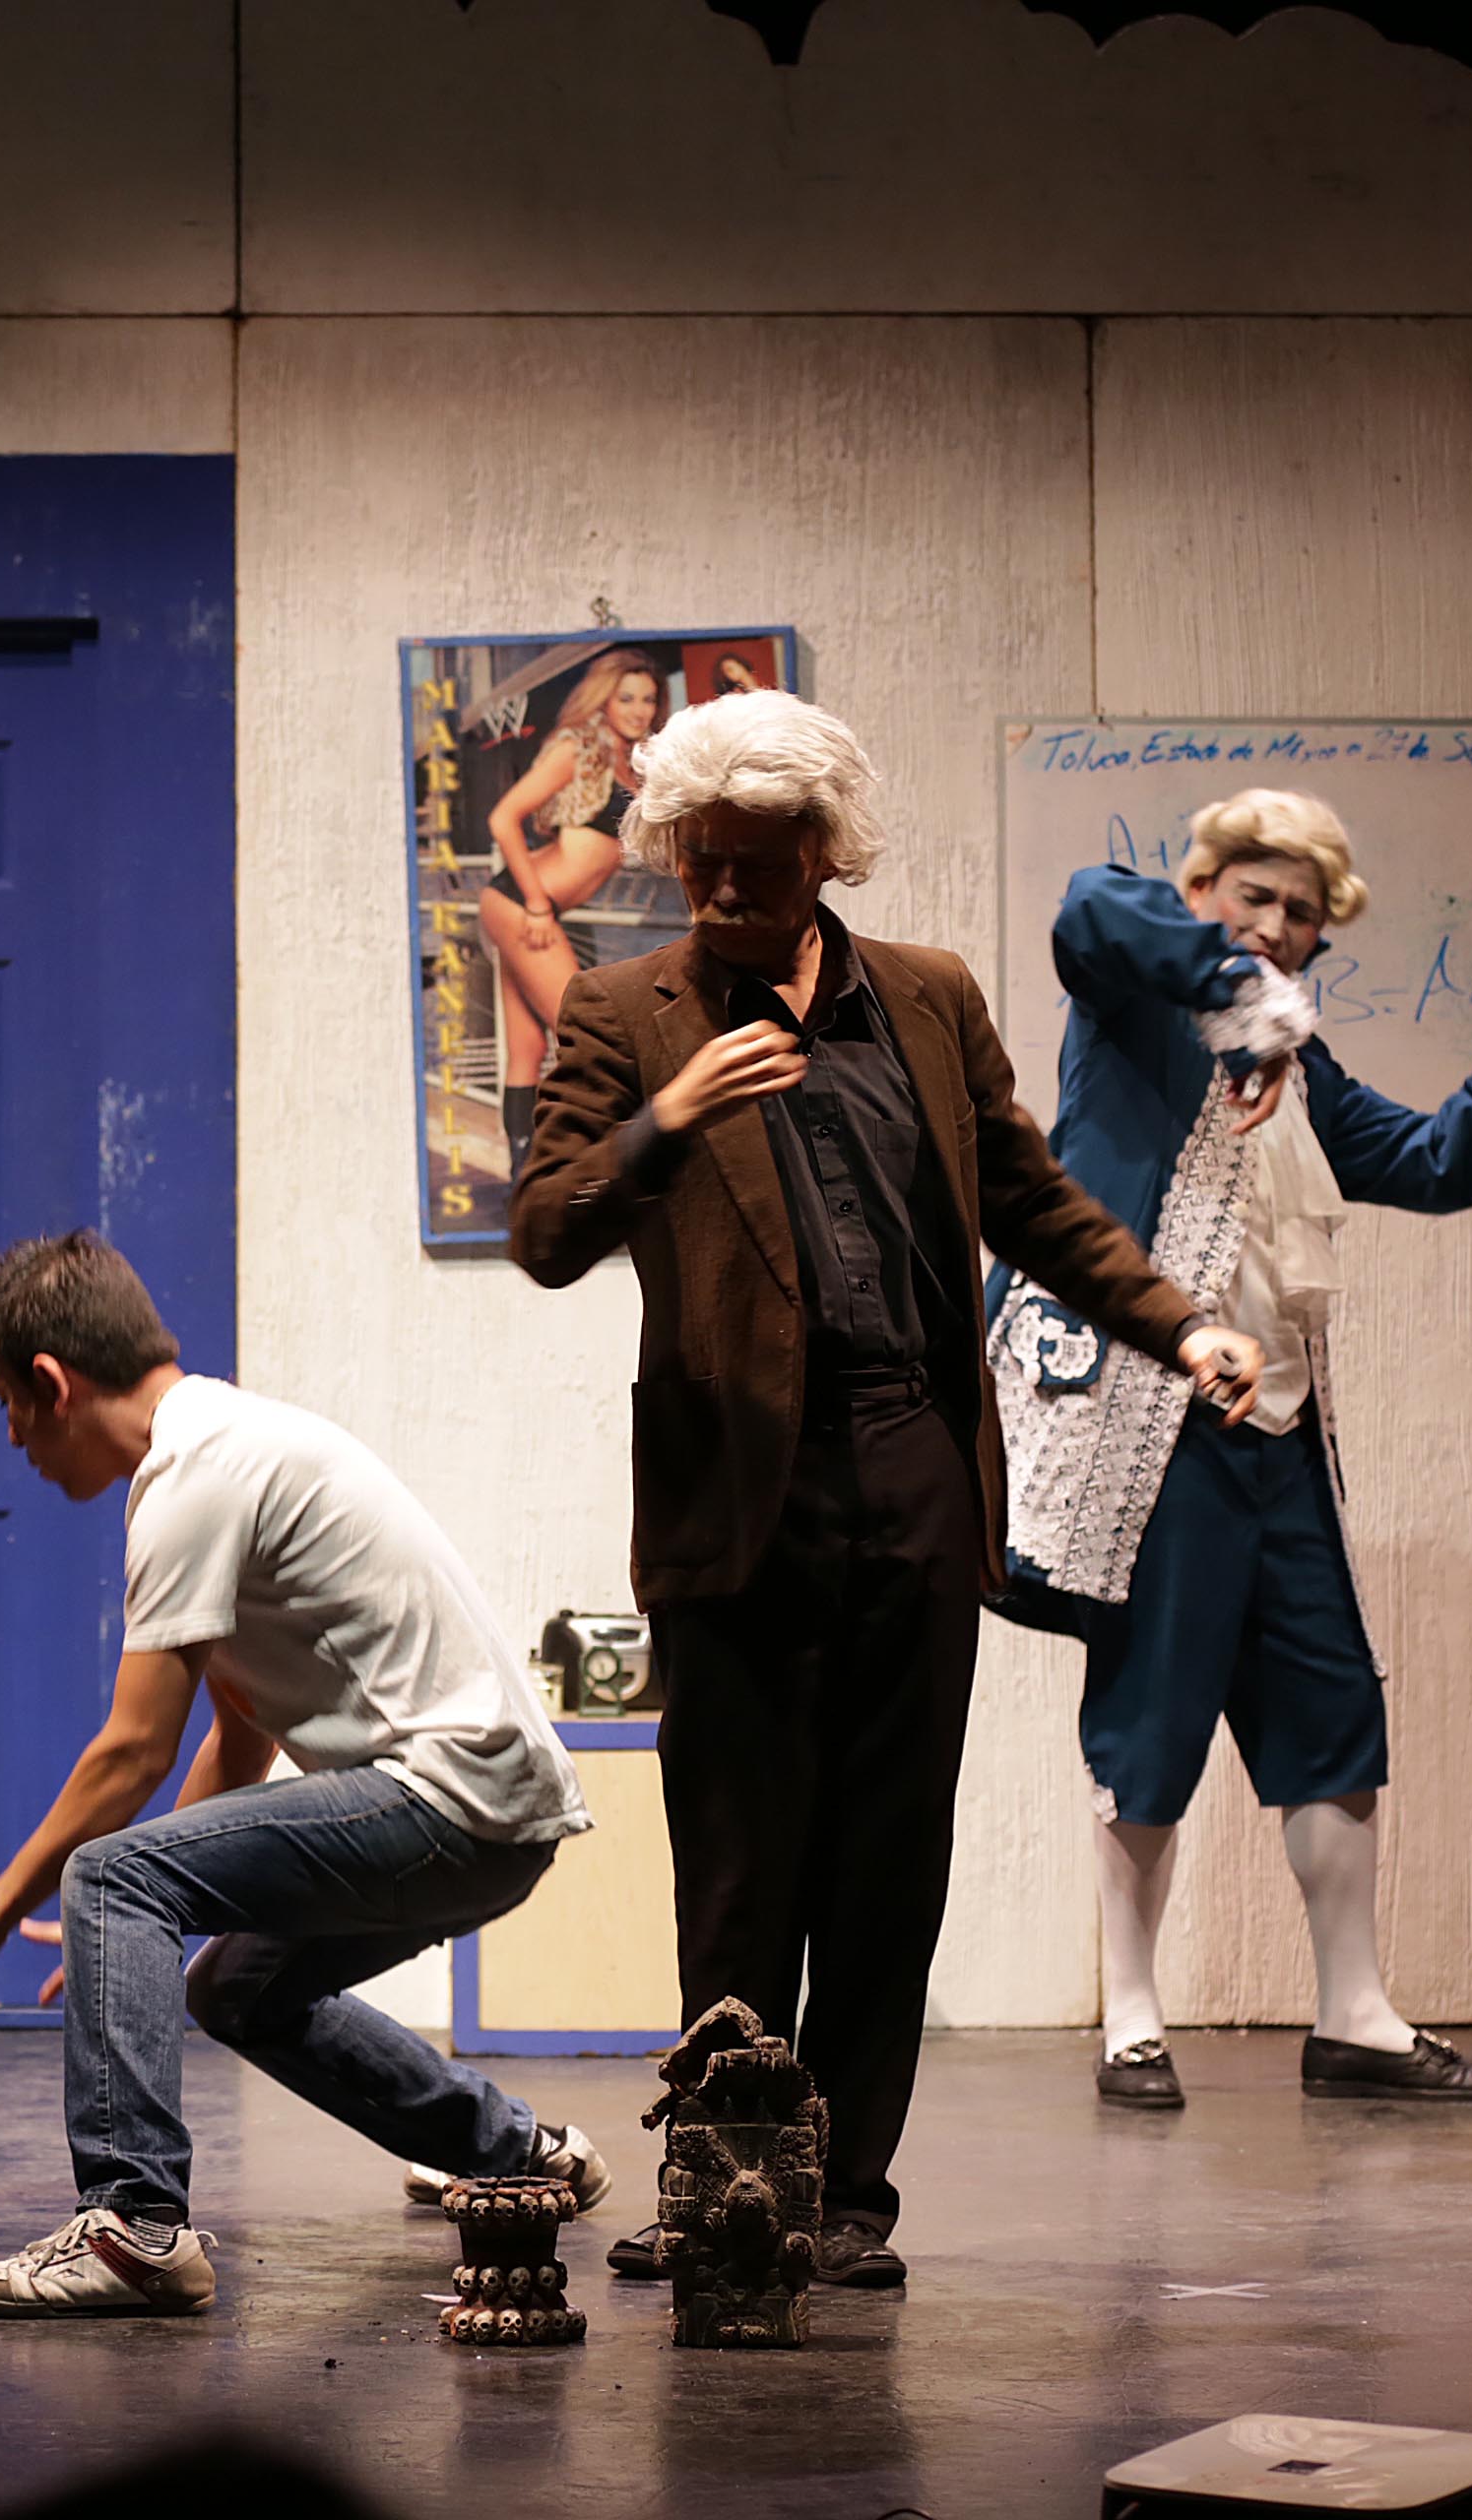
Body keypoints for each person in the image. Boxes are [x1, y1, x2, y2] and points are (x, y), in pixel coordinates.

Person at [508, 689, 1266, 2290]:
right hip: (738, 1489)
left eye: (757, 862)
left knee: (885, 1862)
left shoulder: (925, 997)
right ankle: (724, 2182)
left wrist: (1178, 1322)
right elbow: (548, 1228)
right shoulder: (627, 1013)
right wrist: (670, 1117)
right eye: (699, 860)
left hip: (914, 1469)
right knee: (737, 1867)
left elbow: (1033, 1200)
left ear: (824, 853)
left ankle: (844, 2198)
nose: (723, 890)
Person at [991, 792, 1472, 2110]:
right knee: (1152, 1717)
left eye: (1299, 914)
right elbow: (1090, 908)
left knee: (1332, 1714)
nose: (1274, 926)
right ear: (1204, 893)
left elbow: (1437, 1162)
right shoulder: (1135, 1007)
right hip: (1154, 1425)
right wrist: (1236, 993)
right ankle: (1133, 2016)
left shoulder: (1305, 1073)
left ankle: (1354, 2014)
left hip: (1277, 1434)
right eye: (1253, 898)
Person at [0, 1232, 602, 2317]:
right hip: (499, 1817)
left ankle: (133, 2230)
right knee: (233, 1988)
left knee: (107, 1874)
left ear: (53, 1383)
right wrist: (134, 1930)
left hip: (449, 1801)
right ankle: (518, 2153)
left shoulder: (192, 1476)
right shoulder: (225, 1441)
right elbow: (242, 1728)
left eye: (7, 1404)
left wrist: (7, 1909)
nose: (12, 1435)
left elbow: (133, 1751)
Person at [477, 648, 667, 1172]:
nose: (638, 710)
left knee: (527, 1049)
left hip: (524, 905)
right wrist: (538, 904)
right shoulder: (578, 748)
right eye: (626, 698)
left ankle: (523, 1176)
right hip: (524, 905)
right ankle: (599, 1168)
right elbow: (503, 818)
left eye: (648, 699)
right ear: (603, 699)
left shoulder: (632, 763)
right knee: (588, 1039)